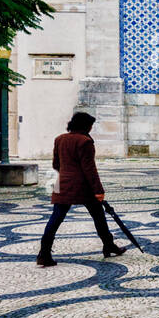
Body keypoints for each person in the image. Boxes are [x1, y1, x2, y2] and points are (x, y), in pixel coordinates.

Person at [37, 112, 126, 266]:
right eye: (91, 125)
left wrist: (66, 173)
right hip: (82, 185)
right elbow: (89, 169)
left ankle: (44, 252)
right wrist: (98, 190)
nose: (92, 128)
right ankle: (109, 244)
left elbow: (55, 165)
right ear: (85, 126)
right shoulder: (85, 141)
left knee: (56, 217)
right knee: (98, 215)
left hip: (62, 183)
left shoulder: (60, 139)